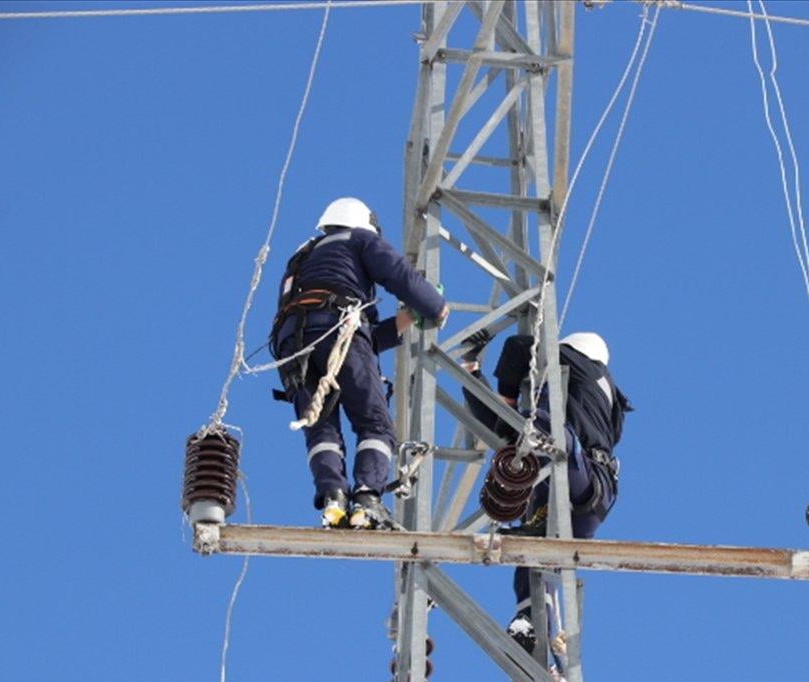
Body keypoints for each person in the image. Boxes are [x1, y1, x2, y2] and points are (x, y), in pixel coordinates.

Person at [269, 197, 447, 530]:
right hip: (338, 330)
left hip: (294, 348)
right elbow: (399, 276)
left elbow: (364, 339)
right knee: (374, 423)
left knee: (320, 427)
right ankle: (367, 499)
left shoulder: (301, 259)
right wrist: (434, 306)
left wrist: (405, 320)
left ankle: (334, 498)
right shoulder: (359, 240)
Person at [460, 329, 631, 658]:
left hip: (582, 473)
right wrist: (473, 374)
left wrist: (508, 396)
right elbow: (505, 430)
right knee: (536, 556)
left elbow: (520, 346)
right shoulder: (598, 400)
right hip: (590, 498)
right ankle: (532, 627)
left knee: (542, 427)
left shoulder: (582, 367)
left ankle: (535, 625)